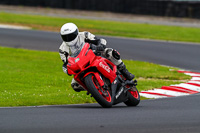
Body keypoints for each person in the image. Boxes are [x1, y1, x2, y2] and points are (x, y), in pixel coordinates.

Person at [59, 23, 135, 92]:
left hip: (94, 54)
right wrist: (67, 69)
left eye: (71, 36)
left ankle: (125, 71)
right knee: (75, 85)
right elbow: (67, 63)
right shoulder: (62, 49)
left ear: (76, 32)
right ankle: (95, 89)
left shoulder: (84, 35)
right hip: (81, 65)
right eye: (65, 37)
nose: (69, 39)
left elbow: (98, 40)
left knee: (111, 52)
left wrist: (100, 45)